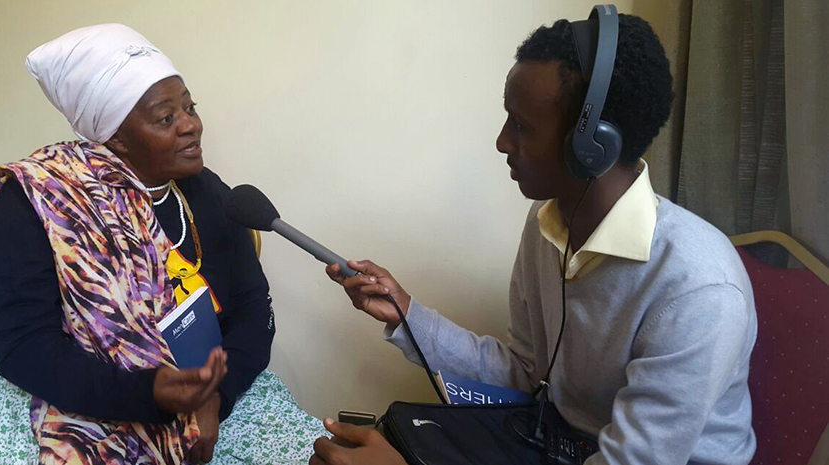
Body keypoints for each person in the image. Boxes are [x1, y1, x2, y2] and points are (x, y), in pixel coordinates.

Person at [314, 13, 757, 465]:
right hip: (561, 444)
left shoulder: (699, 291)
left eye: (521, 126)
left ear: (591, 147)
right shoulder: (547, 222)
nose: (502, 142)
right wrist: (408, 315)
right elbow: (526, 374)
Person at [0, 24, 274, 464]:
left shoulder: (209, 193)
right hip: (82, 400)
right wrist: (147, 392)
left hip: (215, 399)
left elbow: (254, 310)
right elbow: (23, 346)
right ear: (114, 137)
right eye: (166, 117)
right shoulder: (37, 203)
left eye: (190, 107)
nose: (191, 125)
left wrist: (215, 399)